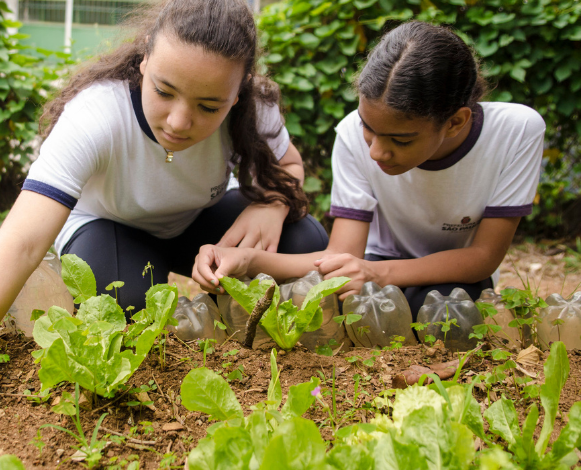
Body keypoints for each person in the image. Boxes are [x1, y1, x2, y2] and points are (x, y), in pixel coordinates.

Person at [0, 0, 327, 461]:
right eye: (164, 90)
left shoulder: (254, 108)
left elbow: (289, 166)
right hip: (109, 225)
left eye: (209, 106)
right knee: (124, 303)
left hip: (192, 220)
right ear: (144, 59)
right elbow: (18, 243)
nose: (179, 122)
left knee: (305, 240)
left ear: (236, 94)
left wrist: (274, 204)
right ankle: (65, 275)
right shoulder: (97, 114)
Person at [192, 21, 545, 318]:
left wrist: (378, 273)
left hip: (451, 275)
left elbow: (482, 258)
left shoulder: (516, 132)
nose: (376, 150)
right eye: (368, 127)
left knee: (447, 308)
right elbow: (340, 258)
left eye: (400, 140)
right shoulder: (349, 134)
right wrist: (249, 260)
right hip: (375, 266)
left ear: (455, 122)